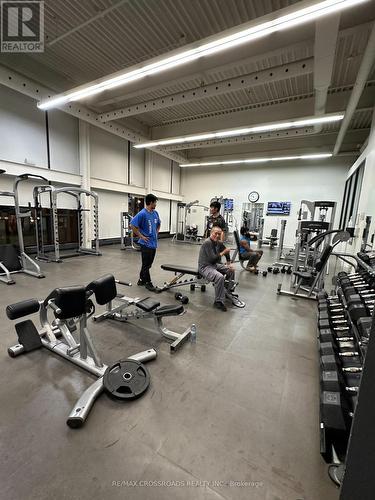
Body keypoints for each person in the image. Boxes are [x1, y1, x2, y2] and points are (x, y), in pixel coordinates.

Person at [198, 227, 235, 312]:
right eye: (216, 233)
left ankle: (227, 292)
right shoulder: (207, 243)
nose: (217, 235)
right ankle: (218, 301)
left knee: (231, 270)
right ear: (211, 232)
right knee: (219, 277)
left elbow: (226, 251)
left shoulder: (218, 243)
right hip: (205, 267)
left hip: (214, 265)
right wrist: (223, 252)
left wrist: (229, 263)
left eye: (219, 234)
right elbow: (212, 258)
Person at [131, 194, 161, 292]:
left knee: (148, 264)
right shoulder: (142, 213)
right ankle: (148, 283)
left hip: (153, 243)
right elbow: (133, 225)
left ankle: (141, 280)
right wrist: (141, 236)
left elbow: (158, 224)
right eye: (155, 202)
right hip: (145, 244)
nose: (156, 204)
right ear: (151, 202)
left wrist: (156, 233)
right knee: (146, 264)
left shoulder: (155, 213)